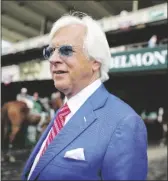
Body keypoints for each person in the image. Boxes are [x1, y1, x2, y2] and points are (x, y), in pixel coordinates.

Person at [22, 12, 148, 180]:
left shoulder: (125, 123)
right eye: (50, 51)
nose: (53, 59)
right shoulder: (63, 113)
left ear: (95, 61)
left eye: (66, 50)